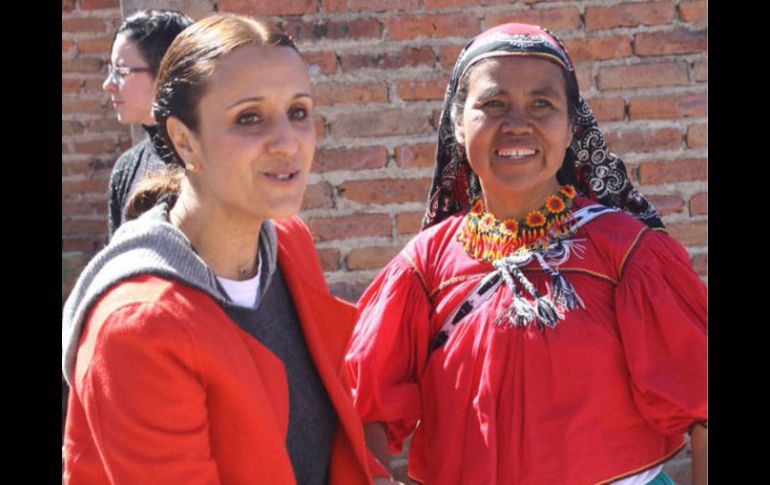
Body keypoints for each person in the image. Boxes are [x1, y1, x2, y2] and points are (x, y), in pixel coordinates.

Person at [346, 23, 707, 485]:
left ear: (571, 124)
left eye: (542, 104)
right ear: (458, 123)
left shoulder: (628, 252)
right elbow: (363, 409)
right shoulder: (423, 267)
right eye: (493, 104)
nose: (517, 123)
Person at [62, 14, 375, 484]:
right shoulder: (138, 327)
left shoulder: (287, 244)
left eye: (298, 112)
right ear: (185, 140)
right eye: (249, 118)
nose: (288, 142)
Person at [103, 9, 193, 238]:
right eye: (110, 70)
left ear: (164, 74)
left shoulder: (206, 165)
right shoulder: (127, 168)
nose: (108, 84)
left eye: (121, 72)